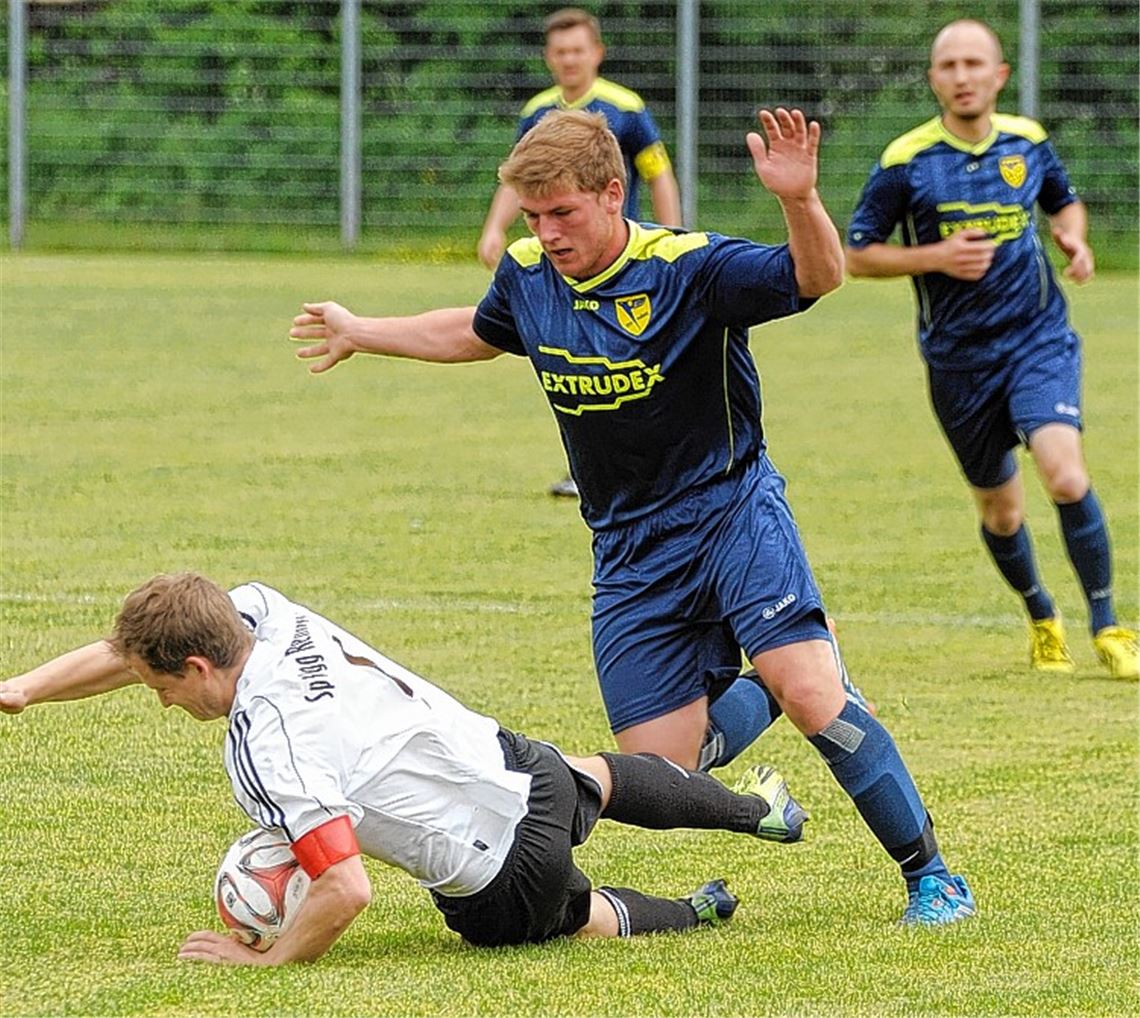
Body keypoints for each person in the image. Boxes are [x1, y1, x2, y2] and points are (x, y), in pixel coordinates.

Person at [287, 107, 976, 926]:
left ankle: (931, 876)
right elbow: (479, 332)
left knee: (812, 692)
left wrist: (799, 200)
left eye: (563, 214)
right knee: (659, 768)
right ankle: (787, 683)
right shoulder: (527, 273)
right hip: (628, 546)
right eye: (535, 216)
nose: (546, 232)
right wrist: (363, 330)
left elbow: (817, 277)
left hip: (731, 510)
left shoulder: (689, 267)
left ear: (614, 195)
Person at [0, 572, 811, 965]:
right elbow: (125, 652)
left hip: (498, 878)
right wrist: (25, 689)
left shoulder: (274, 747)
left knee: (579, 912)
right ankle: (755, 812)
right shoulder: (258, 610)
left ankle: (699, 911)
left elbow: (347, 889)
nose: (162, 703)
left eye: (164, 687)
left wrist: (268, 959)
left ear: (199, 666)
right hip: (519, 768)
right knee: (597, 772)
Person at [845, 19, 1138, 680]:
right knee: (1001, 511)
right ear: (934, 79)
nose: (962, 75)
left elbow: (1065, 204)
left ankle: (1109, 625)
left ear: (998, 75)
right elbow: (857, 255)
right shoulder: (905, 161)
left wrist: (1075, 241)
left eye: (975, 63)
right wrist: (935, 256)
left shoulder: (1027, 142)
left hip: (1038, 338)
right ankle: (1041, 616)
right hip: (958, 362)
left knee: (1064, 471)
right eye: (948, 65)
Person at [476, 6, 683, 499]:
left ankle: (653, 463)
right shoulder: (537, 112)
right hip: (561, 264)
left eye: (578, 50)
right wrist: (494, 227)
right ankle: (591, 469)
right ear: (550, 58)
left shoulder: (625, 108)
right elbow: (518, 179)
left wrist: (672, 233)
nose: (570, 60)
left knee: (630, 362)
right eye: (561, 52)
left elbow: (658, 173)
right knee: (574, 361)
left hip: (620, 259)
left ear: (597, 54)